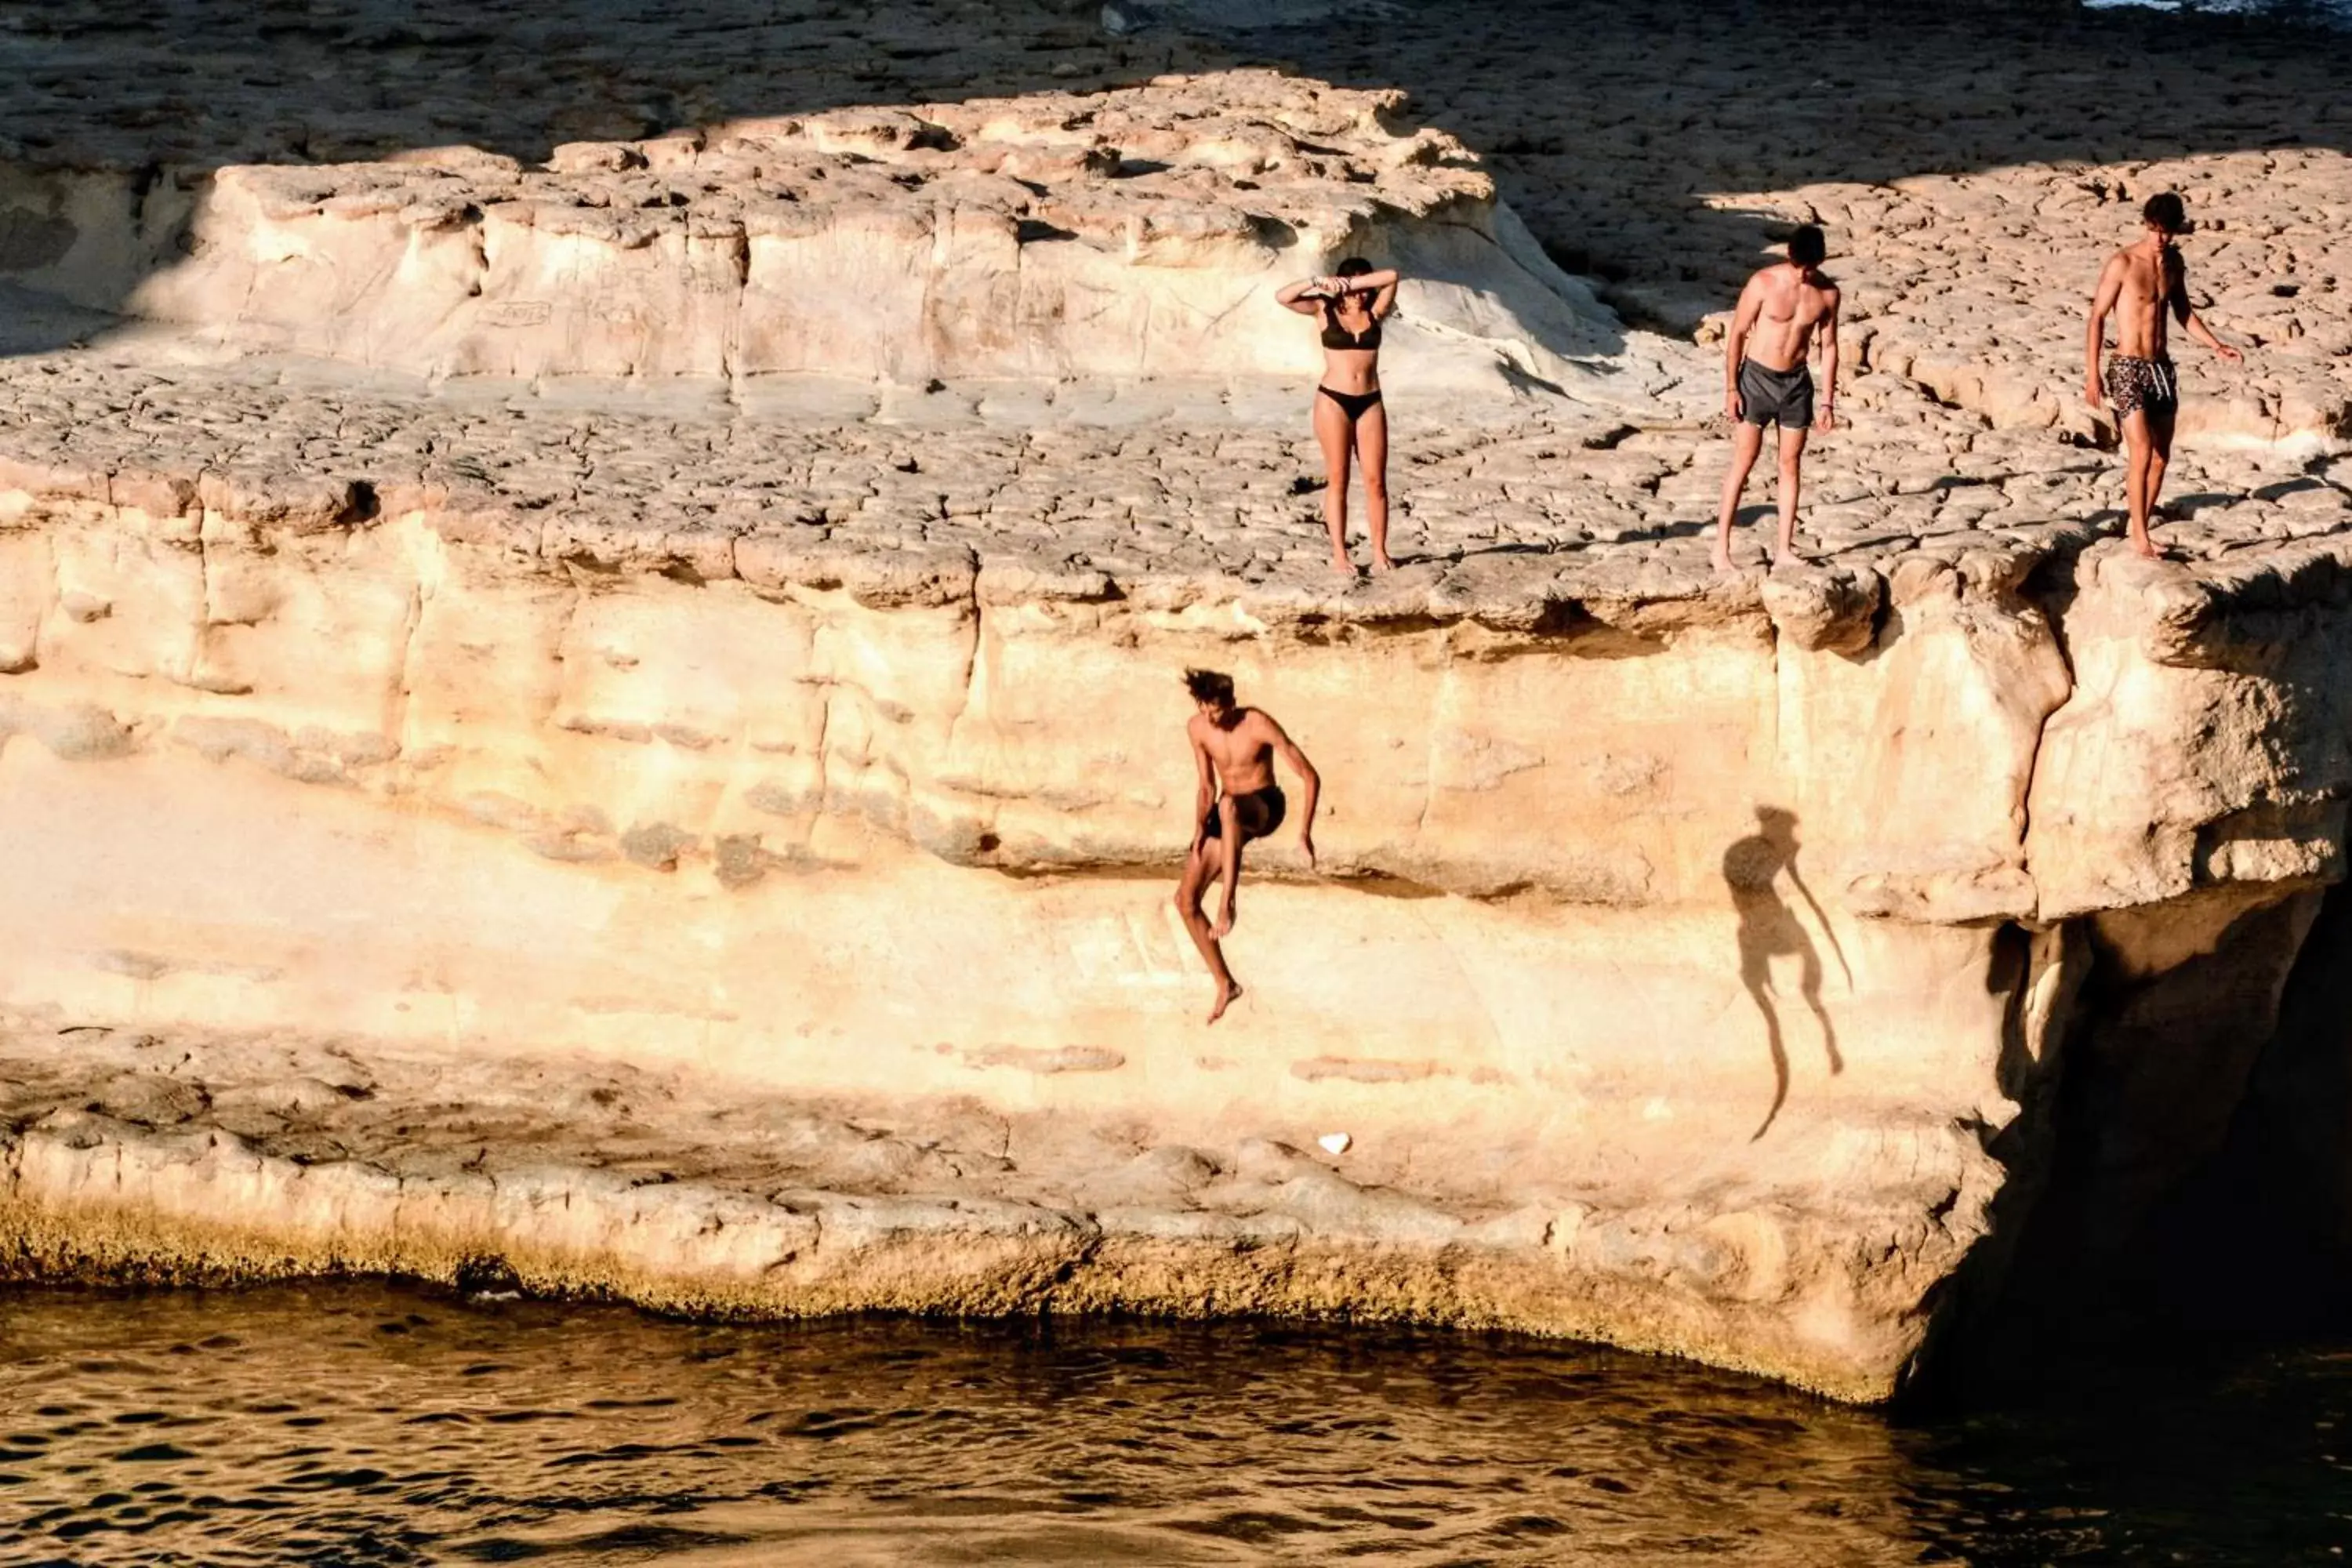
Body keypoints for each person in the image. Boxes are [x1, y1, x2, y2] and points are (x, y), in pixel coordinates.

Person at [2085, 191, 2244, 560]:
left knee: (2160, 457)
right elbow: (2097, 318)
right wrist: (2092, 376)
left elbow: (2183, 313)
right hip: (2126, 367)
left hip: (2161, 369)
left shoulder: (2174, 263)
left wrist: (2216, 345)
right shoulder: (2122, 263)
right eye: (2154, 230)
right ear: (2146, 225)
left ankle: (2138, 522)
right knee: (2139, 450)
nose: (2160, 238)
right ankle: (2140, 538)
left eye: (2166, 232)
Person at [1172, 667, 1319, 1024]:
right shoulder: (1197, 728)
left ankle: (1228, 904)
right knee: (1185, 901)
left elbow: (1309, 775)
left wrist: (1305, 831)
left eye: (1218, 710)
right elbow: (1206, 785)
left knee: (1229, 806)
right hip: (1227, 808)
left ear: (1232, 703)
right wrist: (1197, 832)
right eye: (1205, 708)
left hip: (1263, 806)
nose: (1211, 717)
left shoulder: (1257, 723)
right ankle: (1225, 984)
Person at [1712, 226, 1840, 573]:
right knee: (1745, 459)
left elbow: (1829, 347)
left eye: (1811, 268)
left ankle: (1784, 548)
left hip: (1797, 384)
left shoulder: (1827, 294)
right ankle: (1721, 548)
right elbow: (1737, 333)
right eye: (1800, 267)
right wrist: (1731, 387)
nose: (1804, 275)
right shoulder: (1764, 283)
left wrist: (1828, 402)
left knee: (1790, 464)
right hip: (1756, 379)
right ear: (1790, 257)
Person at [1276, 257, 1401, 575]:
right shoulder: (1323, 309)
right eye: (1354, 286)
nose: (1360, 294)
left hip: (1371, 401)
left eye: (1364, 287)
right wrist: (1320, 282)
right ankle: (1340, 555)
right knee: (1339, 479)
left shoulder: (1376, 313)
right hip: (1333, 401)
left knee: (1375, 481)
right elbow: (1283, 296)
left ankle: (1379, 551)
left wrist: (1353, 284)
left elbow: (1391, 276)